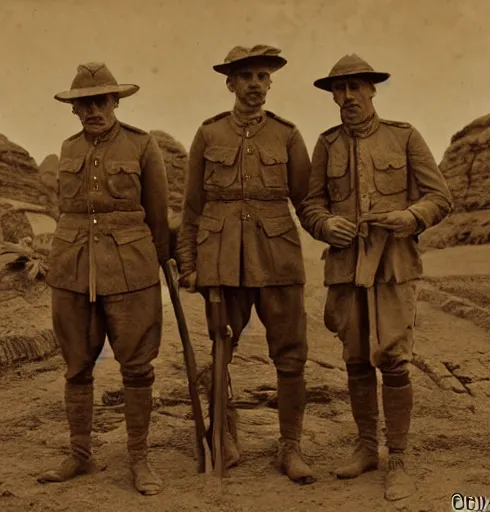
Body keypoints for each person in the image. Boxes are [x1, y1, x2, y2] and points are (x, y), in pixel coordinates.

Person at [299, 54, 453, 500]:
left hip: (393, 265)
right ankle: (367, 448)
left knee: (393, 358)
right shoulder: (326, 145)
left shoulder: (403, 137)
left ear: (372, 90)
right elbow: (311, 206)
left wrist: (411, 216)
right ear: (333, 95)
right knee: (353, 358)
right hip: (346, 268)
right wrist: (326, 225)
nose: (347, 97)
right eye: (339, 90)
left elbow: (440, 197)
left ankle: (398, 458)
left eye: (355, 88)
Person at [176, 45, 314, 484]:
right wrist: (188, 264)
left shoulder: (288, 135)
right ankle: (225, 438)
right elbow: (192, 208)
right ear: (230, 83)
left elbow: (307, 202)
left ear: (270, 83)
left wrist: (333, 232)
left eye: (262, 76)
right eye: (246, 77)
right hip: (221, 263)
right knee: (220, 353)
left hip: (278, 259)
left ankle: (289, 448)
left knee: (291, 356)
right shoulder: (208, 134)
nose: (255, 84)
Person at [38, 62, 170, 496]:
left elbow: (157, 214)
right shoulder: (69, 148)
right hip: (72, 269)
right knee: (76, 366)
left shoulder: (142, 144)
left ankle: (139, 458)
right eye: (83, 103)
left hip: (130, 271)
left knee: (137, 367)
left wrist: (158, 265)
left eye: (100, 100)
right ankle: (80, 453)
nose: (93, 109)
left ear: (116, 101)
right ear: (74, 110)